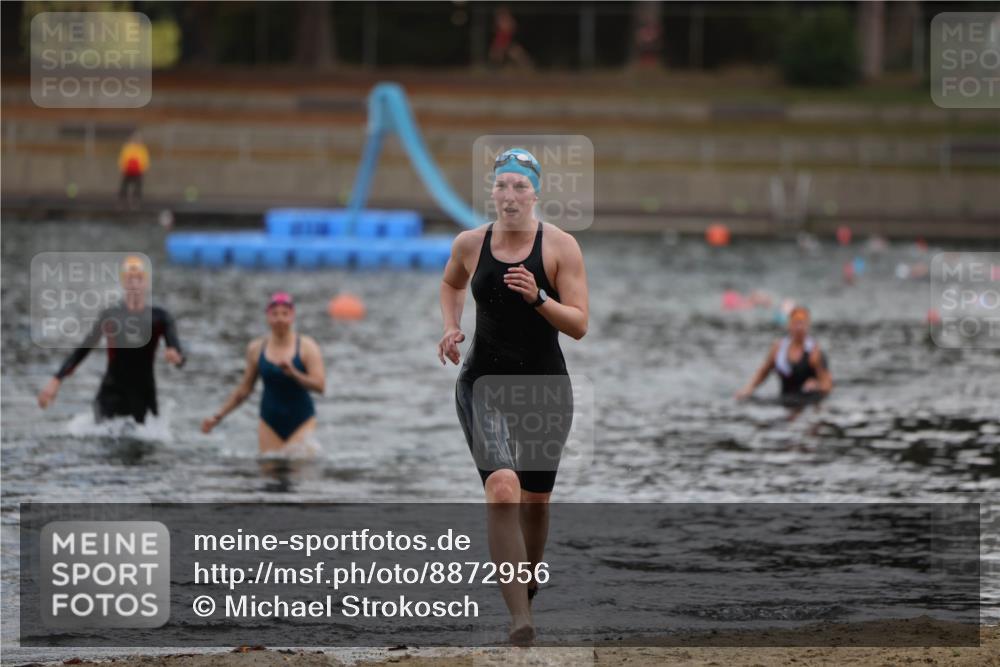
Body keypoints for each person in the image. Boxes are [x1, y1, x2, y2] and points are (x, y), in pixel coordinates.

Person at [438, 148, 588, 644]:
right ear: (492, 193)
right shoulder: (469, 243)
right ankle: (520, 617)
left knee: (536, 501)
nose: (509, 195)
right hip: (484, 384)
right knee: (503, 487)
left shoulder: (560, 247)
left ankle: (526, 584)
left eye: (519, 186)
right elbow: (450, 282)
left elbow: (580, 325)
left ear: (535, 193)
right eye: (501, 185)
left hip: (546, 388)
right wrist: (452, 326)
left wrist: (539, 298)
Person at [37, 255, 185, 424]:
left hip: (143, 396)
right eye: (130, 279)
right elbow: (84, 349)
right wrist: (57, 379)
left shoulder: (160, 318)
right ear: (124, 283)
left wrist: (176, 357)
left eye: (139, 279)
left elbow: (179, 356)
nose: (134, 283)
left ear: (146, 283)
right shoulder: (111, 316)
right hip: (111, 395)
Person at [201, 292, 325, 454]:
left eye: (285, 314)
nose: (280, 318)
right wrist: (218, 416)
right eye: (275, 314)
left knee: (298, 469)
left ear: (292, 316)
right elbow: (244, 390)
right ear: (267, 317)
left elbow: (320, 386)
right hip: (269, 422)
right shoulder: (256, 348)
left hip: (302, 420)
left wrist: (294, 373)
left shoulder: (307, 346)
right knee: (269, 471)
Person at [736, 305, 833, 404]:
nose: (799, 328)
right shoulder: (778, 348)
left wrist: (817, 385)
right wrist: (748, 389)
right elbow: (764, 371)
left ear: (807, 326)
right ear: (789, 325)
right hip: (785, 398)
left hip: (808, 402)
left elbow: (827, 386)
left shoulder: (815, 352)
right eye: (796, 323)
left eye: (802, 324)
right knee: (747, 401)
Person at [118, 131, 149, 211]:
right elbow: (123, 158)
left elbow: (145, 160)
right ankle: (122, 201)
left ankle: (136, 201)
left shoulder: (142, 148)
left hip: (138, 171)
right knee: (124, 185)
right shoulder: (128, 148)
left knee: (138, 187)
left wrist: (143, 169)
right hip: (128, 170)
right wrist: (122, 167)